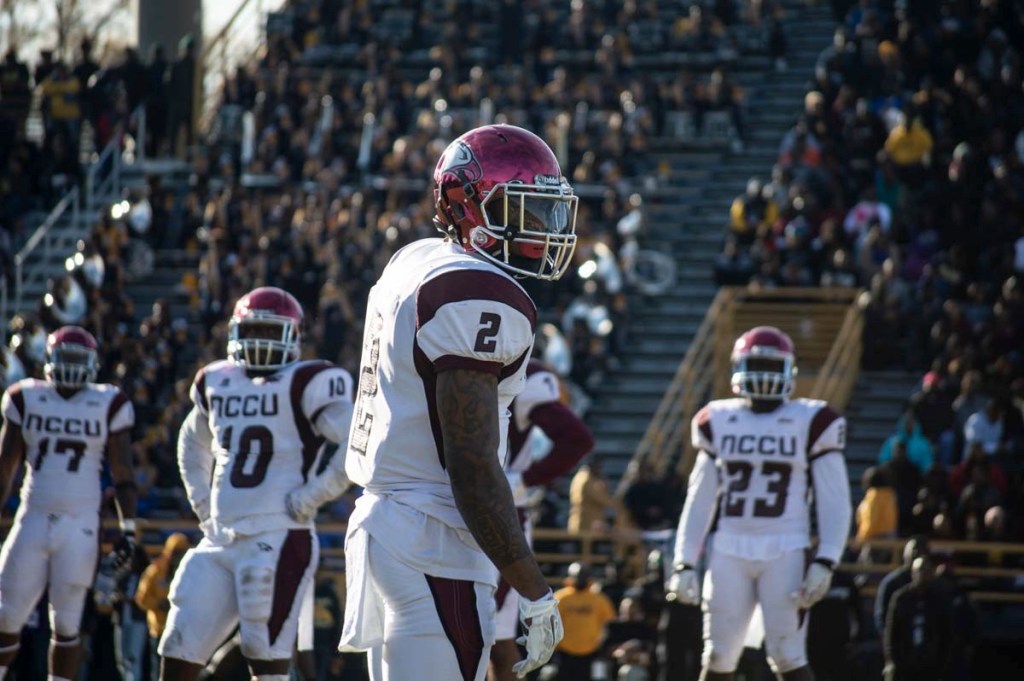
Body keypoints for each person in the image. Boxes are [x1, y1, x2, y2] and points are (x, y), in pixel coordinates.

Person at [339, 124, 578, 681]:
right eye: (522, 210)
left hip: (389, 522)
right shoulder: (479, 294)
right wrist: (534, 591)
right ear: (466, 205)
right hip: (434, 538)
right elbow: (469, 465)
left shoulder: (416, 259)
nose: (541, 230)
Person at [159, 286, 355, 681]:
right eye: (252, 332)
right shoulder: (218, 380)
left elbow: (356, 443)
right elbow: (191, 442)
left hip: (278, 535)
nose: (260, 342)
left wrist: (312, 496)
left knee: (266, 661)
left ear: (292, 336)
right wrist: (201, 504)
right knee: (177, 649)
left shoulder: (308, 381)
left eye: (270, 332)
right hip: (219, 539)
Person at [667, 326, 852, 681]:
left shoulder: (812, 420)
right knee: (719, 654)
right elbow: (700, 497)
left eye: (772, 365)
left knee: (787, 654)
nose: (764, 374)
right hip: (729, 548)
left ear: (790, 371)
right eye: (755, 364)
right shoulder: (718, 418)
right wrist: (683, 562)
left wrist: (827, 559)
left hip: (787, 547)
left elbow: (835, 498)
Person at [0, 325, 138, 681]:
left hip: (80, 523)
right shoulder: (25, 398)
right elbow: (5, 469)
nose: (72, 367)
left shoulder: (107, 402)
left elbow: (123, 474)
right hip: (33, 515)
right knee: (5, 615)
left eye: (79, 360)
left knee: (67, 622)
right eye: (66, 359)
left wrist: (129, 529)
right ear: (48, 360)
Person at [491, 358, 593, 681]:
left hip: (497, 513)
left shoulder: (527, 375)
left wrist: (522, 478)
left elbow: (577, 439)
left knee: (490, 630)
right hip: (460, 507)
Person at [883, 555, 953, 681]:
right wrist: (891, 660)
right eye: (919, 570)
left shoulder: (939, 599)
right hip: (905, 660)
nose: (923, 574)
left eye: (926, 571)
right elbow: (891, 631)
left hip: (930, 662)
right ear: (912, 573)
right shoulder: (901, 598)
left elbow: (946, 633)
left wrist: (942, 664)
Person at [135, 532, 191, 679]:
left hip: (183, 630)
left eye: (181, 552)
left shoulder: (191, 571)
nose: (177, 557)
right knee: (159, 670)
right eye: (175, 552)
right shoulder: (155, 571)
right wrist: (159, 604)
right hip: (160, 629)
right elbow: (142, 598)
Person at [553, 562, 617, 681]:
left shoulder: (598, 599)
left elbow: (609, 622)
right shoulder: (560, 598)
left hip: (590, 652)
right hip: (564, 652)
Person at [873, 536, 929, 636]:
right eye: (914, 552)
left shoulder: (933, 585)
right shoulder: (892, 583)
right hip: (900, 641)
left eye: (921, 551)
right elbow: (881, 616)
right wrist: (889, 641)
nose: (916, 555)